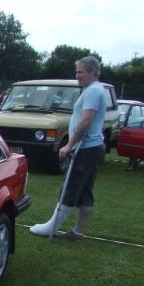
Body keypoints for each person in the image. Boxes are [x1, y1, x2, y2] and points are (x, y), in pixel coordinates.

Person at [30, 55, 108, 240]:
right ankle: (78, 232)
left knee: (71, 186)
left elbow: (86, 120)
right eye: (77, 72)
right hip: (93, 147)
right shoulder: (95, 89)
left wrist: (68, 145)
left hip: (86, 148)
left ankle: (51, 228)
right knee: (85, 190)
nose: (77, 76)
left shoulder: (93, 91)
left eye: (81, 72)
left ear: (93, 72)